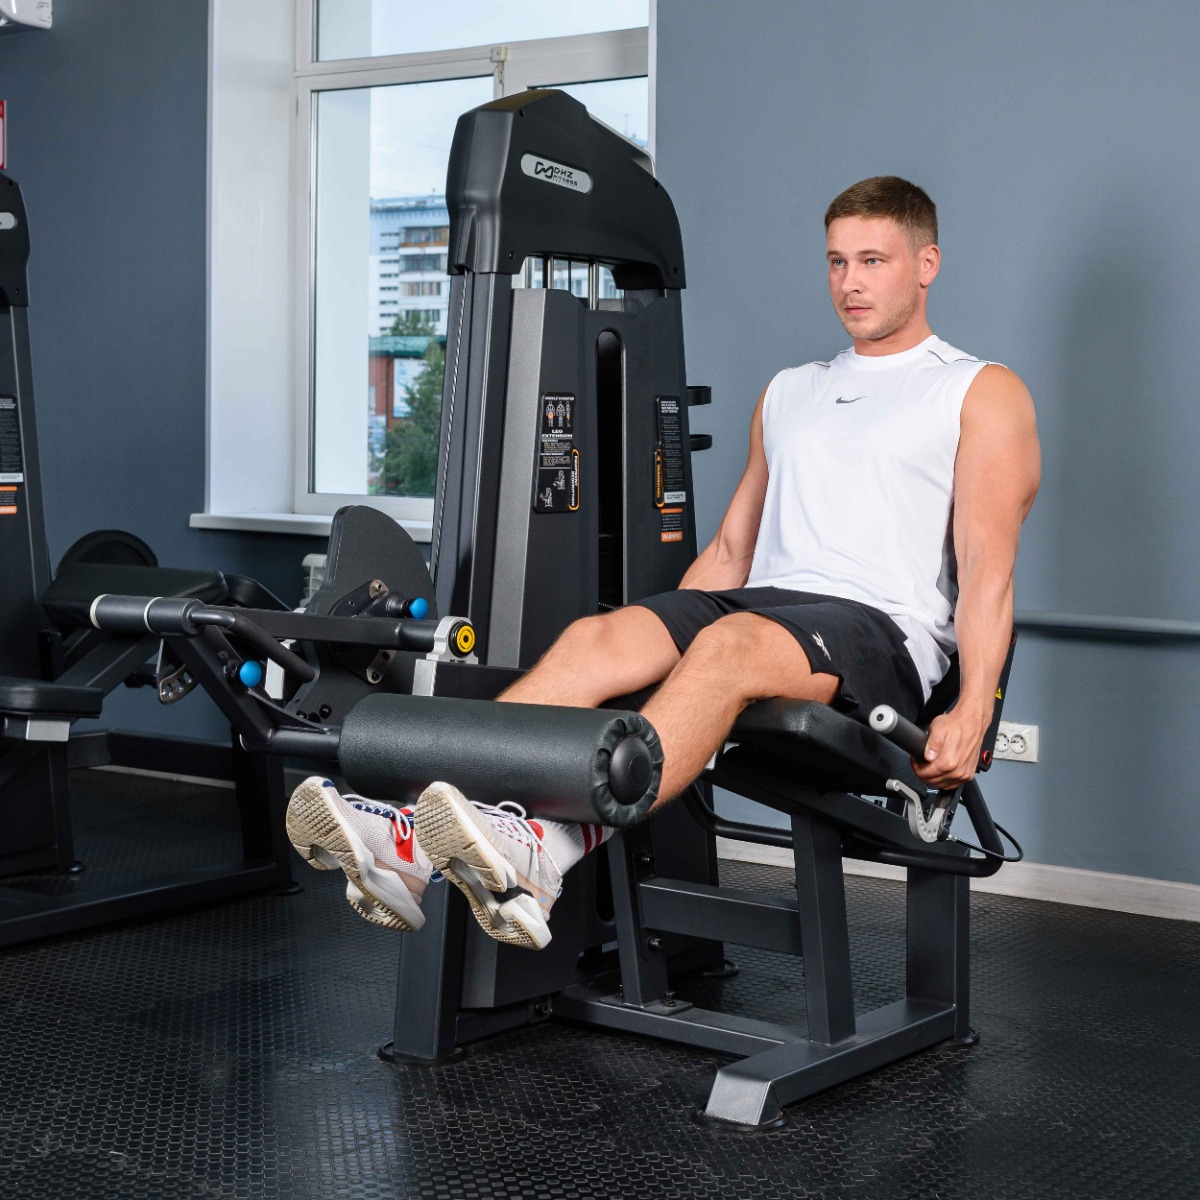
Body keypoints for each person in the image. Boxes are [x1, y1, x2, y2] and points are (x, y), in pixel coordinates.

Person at [285, 176, 1041, 951]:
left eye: (873, 261)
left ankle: (546, 848)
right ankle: (412, 845)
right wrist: (659, 648)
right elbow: (731, 551)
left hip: (879, 632)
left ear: (926, 264)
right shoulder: (792, 391)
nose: (850, 282)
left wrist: (973, 710)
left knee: (727, 645)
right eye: (837, 261)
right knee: (597, 641)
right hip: (763, 605)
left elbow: (988, 569)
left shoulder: (977, 390)